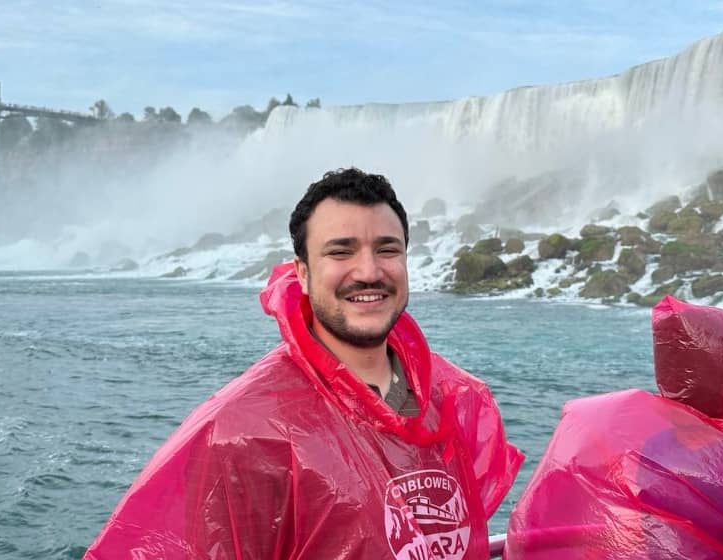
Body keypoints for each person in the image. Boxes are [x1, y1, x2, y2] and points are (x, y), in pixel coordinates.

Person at [85, 168, 523, 560]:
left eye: (387, 250)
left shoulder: (455, 398)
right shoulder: (243, 430)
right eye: (341, 252)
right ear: (303, 273)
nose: (369, 271)